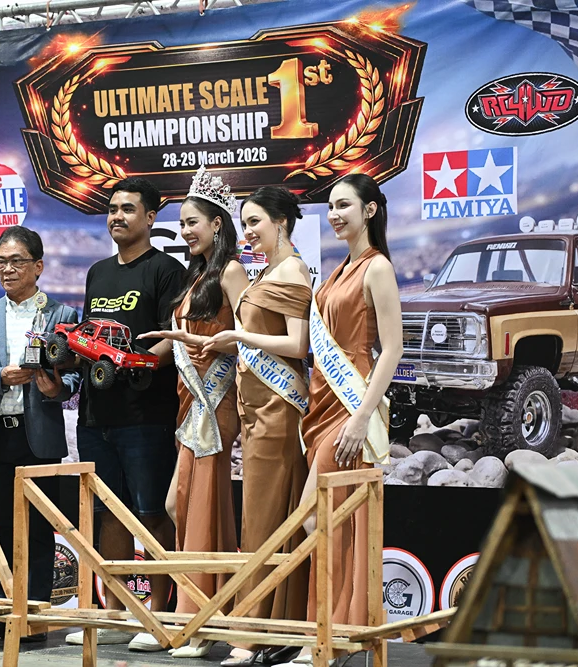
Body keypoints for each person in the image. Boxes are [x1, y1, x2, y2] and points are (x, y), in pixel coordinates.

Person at [64, 177, 186, 652]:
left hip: (146, 415)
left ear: (150, 217)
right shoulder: (97, 272)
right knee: (106, 515)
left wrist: (141, 365)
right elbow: (86, 338)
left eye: (128, 209)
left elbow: (174, 341)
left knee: (152, 513)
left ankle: (160, 614)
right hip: (96, 418)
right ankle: (114, 612)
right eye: (112, 209)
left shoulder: (166, 270)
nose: (117, 216)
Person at [292, 174, 402, 666]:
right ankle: (330, 632)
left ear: (370, 210)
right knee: (326, 516)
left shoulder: (377, 268)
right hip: (323, 400)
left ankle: (331, 632)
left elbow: (392, 349)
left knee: (318, 515)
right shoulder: (341, 268)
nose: (334, 215)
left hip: (350, 400)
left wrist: (361, 418)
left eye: (343, 206)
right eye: (331, 207)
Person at [138, 166, 247, 659]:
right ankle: (210, 613)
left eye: (192, 222)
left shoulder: (232, 271)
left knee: (196, 507)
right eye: (181, 223)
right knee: (181, 505)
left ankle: (197, 624)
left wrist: (209, 343)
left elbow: (249, 339)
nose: (184, 231)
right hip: (191, 400)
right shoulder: (198, 274)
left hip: (214, 400)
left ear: (217, 223)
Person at [203, 187, 312, 667]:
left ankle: (251, 632)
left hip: (278, 406)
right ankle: (275, 624)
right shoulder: (267, 270)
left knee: (266, 517)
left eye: (255, 222)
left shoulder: (292, 271)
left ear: (281, 222)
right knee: (266, 516)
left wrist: (239, 334)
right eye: (244, 223)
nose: (246, 231)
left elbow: (297, 345)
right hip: (255, 406)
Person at [0, 225, 82, 642]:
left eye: (17, 261)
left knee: (38, 530)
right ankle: (0, 615)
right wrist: (0, 375)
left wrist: (56, 389)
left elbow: (75, 377)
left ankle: (33, 619)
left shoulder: (62, 315)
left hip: (39, 436)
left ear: (38, 266)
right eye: (2, 262)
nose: (7, 270)